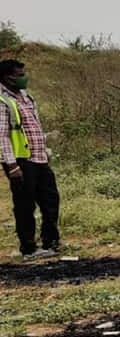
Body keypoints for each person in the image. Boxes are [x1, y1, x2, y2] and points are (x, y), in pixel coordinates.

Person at [0, 59, 60, 260]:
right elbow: (2, 136)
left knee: (50, 199)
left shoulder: (26, 97)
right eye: (19, 75)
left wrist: (45, 152)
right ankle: (28, 248)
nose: (24, 78)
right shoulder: (2, 100)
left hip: (39, 157)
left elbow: (35, 127)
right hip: (20, 160)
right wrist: (12, 165)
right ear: (7, 77)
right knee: (25, 205)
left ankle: (51, 241)